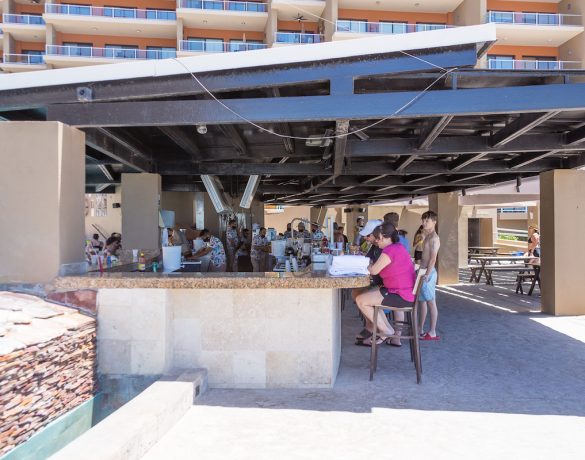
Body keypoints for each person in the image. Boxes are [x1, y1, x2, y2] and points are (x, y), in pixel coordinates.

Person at [355, 222, 416, 347]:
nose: (377, 241)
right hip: (402, 291)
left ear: (383, 237)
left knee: (361, 300)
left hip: (400, 294)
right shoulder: (397, 247)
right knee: (364, 295)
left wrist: (368, 266)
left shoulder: (389, 250)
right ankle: (386, 329)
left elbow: (373, 270)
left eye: (378, 238)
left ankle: (386, 330)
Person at [418, 211, 440, 341]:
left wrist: (427, 274)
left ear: (434, 222)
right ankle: (420, 329)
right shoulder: (427, 236)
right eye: (423, 220)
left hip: (428, 272)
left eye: (427, 221)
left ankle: (432, 332)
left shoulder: (434, 238)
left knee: (431, 302)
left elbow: (433, 258)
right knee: (422, 302)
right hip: (423, 271)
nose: (424, 223)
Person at [351, 219, 383, 307]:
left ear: (377, 234)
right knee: (355, 292)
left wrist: (369, 266)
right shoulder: (375, 246)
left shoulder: (385, 248)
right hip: (376, 282)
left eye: (368, 235)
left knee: (361, 298)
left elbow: (373, 269)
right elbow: (367, 260)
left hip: (384, 285)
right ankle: (372, 315)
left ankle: (376, 315)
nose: (365, 238)